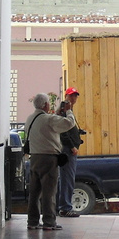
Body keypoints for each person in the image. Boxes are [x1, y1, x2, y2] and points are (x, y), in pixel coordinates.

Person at [25, 93, 75, 230]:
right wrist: (69, 110)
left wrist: (57, 114)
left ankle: (32, 221)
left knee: (34, 192)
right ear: (46, 105)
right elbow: (69, 123)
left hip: (34, 157)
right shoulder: (48, 119)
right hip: (49, 159)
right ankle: (49, 222)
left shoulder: (30, 118)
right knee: (49, 192)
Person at [57, 87, 83, 218]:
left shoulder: (68, 111)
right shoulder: (64, 112)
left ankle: (64, 206)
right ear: (66, 96)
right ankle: (65, 207)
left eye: (75, 96)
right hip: (67, 150)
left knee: (67, 179)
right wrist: (72, 146)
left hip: (69, 149)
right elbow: (63, 131)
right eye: (71, 96)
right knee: (67, 179)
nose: (74, 98)